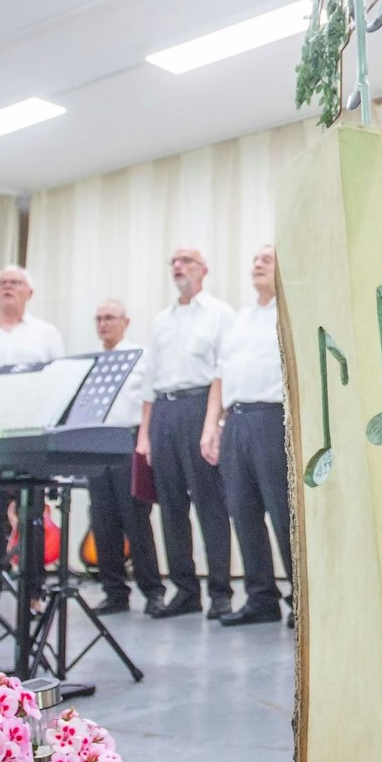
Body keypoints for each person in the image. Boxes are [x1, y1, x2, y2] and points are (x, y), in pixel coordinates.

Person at [0, 265, 65, 620]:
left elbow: (58, 382)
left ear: (29, 293)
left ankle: (34, 592)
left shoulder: (46, 334)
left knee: (31, 517)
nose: (8, 287)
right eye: (2, 282)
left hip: (30, 437)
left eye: (16, 283)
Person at [138, 246, 235, 619]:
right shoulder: (162, 320)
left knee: (211, 505)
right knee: (171, 507)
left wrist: (215, 423)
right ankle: (185, 590)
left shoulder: (220, 313)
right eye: (173, 262)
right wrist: (145, 434)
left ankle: (221, 593)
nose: (178, 267)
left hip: (200, 407)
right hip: (164, 411)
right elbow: (150, 378)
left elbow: (221, 371)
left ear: (204, 269)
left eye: (186, 261)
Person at [207, 246, 294, 627]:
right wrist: (212, 425)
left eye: (268, 259)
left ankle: (304, 600)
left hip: (274, 418)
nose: (257, 263)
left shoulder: (293, 313)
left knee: (284, 513)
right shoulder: (238, 319)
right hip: (236, 421)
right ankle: (261, 597)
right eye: (255, 259)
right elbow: (220, 376)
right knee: (242, 512)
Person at [84, 300, 164, 616]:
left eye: (110, 318)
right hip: (96, 443)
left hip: (128, 439)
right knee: (102, 520)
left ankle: (153, 591)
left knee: (135, 518)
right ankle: (114, 591)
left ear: (126, 322)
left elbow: (149, 402)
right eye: (99, 319)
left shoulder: (140, 357)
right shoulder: (92, 362)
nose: (104, 324)